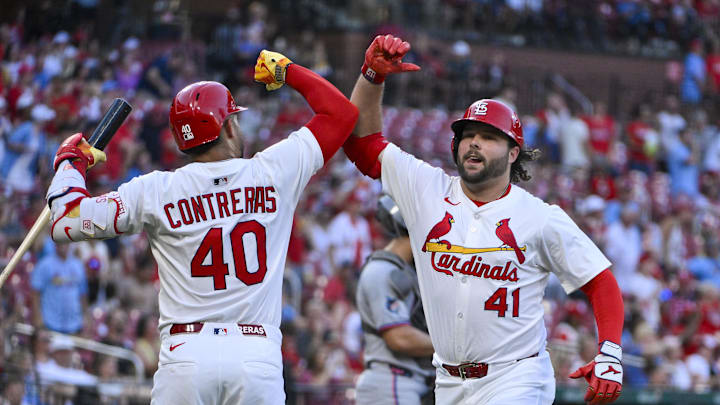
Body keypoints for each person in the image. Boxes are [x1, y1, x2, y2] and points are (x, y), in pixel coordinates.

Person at [44, 49, 358, 404]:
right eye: (234, 120)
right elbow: (342, 114)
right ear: (227, 126)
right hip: (255, 354)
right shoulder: (273, 170)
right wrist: (289, 72)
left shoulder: (155, 189)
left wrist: (72, 163)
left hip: (186, 353)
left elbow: (65, 220)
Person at [343, 34, 624, 404]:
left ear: (513, 153)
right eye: (468, 134)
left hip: (517, 377)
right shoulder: (426, 189)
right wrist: (371, 76)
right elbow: (361, 144)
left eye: (488, 137)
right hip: (448, 381)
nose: (474, 142)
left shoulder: (539, 217)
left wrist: (610, 354)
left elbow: (599, 281)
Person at [355, 195, 435, 405]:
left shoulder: (404, 271)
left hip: (405, 383)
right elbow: (399, 337)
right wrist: (450, 347)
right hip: (392, 382)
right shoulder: (381, 271)